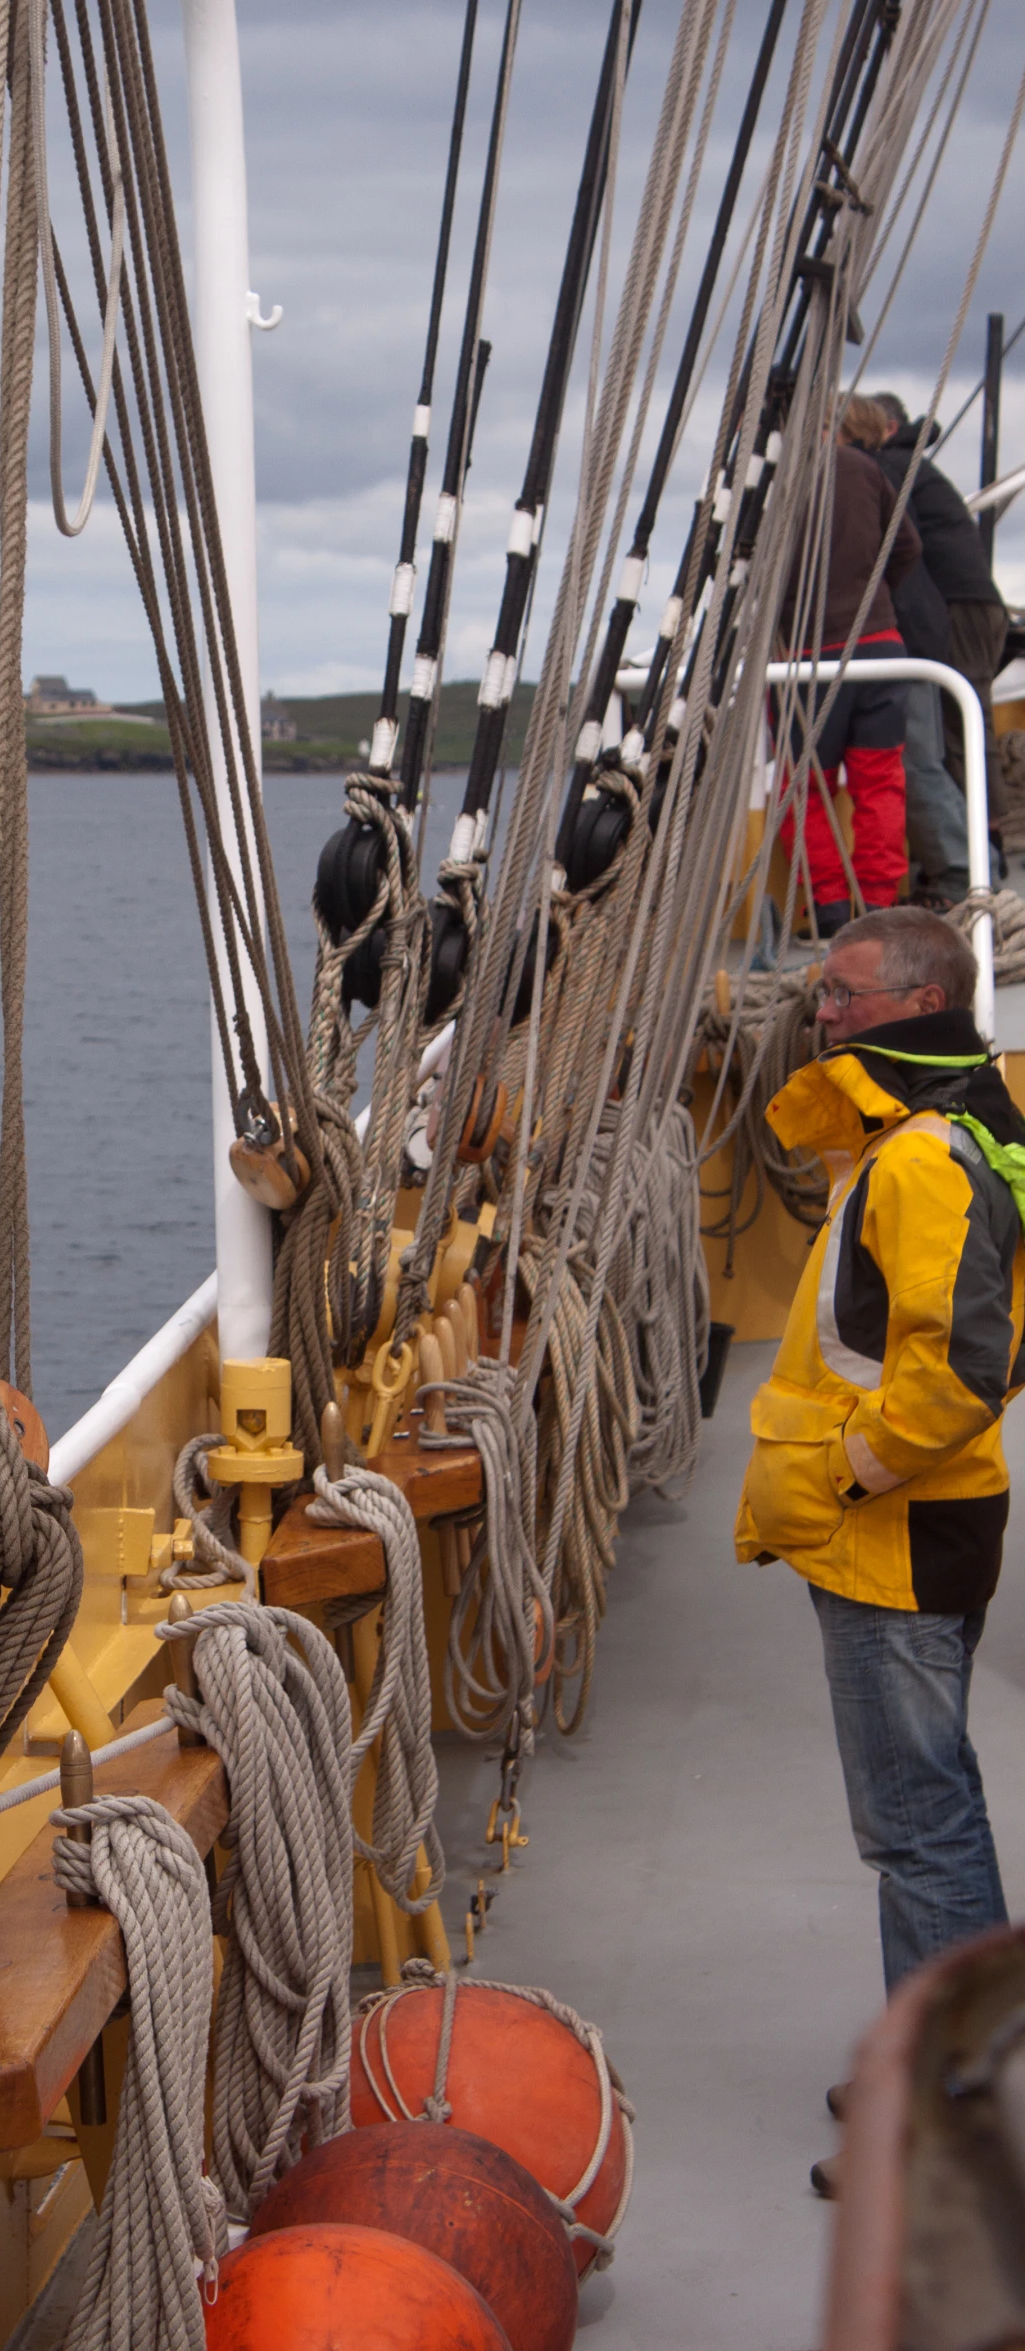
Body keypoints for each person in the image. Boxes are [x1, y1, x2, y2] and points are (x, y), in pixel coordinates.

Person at [734, 905, 1023, 2195]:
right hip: (909, 1521)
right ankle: (931, 2061)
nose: (822, 1010)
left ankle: (949, 2121)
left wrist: (846, 1472)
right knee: (922, 1813)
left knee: (920, 1826)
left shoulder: (920, 1157)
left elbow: (961, 1366)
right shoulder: (942, 1126)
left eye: (843, 994)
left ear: (914, 1000)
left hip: (893, 1529)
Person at [775, 398, 922, 935]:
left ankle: (833, 912)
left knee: (803, 787)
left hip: (809, 657)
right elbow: (908, 546)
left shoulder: (777, 475)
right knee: (880, 783)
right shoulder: (864, 468)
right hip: (880, 647)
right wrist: (874, 600)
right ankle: (880, 908)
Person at [838, 397, 988, 907]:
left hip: (898, 637)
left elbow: (901, 549)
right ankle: (961, 864)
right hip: (913, 631)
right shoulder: (892, 469)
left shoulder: (869, 473)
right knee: (927, 758)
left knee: (918, 761)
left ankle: (962, 874)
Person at [871, 393, 1008, 847]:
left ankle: (982, 839)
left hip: (960, 605)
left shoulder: (892, 465)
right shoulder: (909, 464)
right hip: (979, 602)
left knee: (960, 719)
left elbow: (900, 543)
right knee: (970, 714)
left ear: (885, 428)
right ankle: (983, 833)